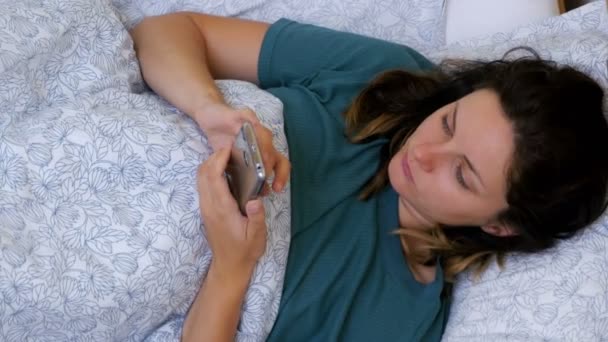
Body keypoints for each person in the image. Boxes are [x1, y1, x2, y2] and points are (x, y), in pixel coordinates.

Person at [129, 12, 608, 342]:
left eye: (462, 175)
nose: (423, 155)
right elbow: (166, 31)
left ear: (501, 225)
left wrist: (231, 269)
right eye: (448, 121)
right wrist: (210, 110)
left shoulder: (401, 319)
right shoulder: (387, 80)